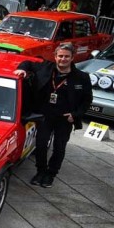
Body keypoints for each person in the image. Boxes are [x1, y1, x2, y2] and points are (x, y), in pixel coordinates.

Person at [14, 43, 92, 188]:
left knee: (59, 147)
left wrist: (75, 115)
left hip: (64, 118)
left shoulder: (82, 77)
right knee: (41, 144)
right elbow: (27, 62)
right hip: (45, 115)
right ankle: (41, 171)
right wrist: (22, 69)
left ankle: (51, 174)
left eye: (67, 56)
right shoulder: (45, 67)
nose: (63, 59)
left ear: (72, 58)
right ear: (55, 57)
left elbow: (87, 100)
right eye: (60, 56)